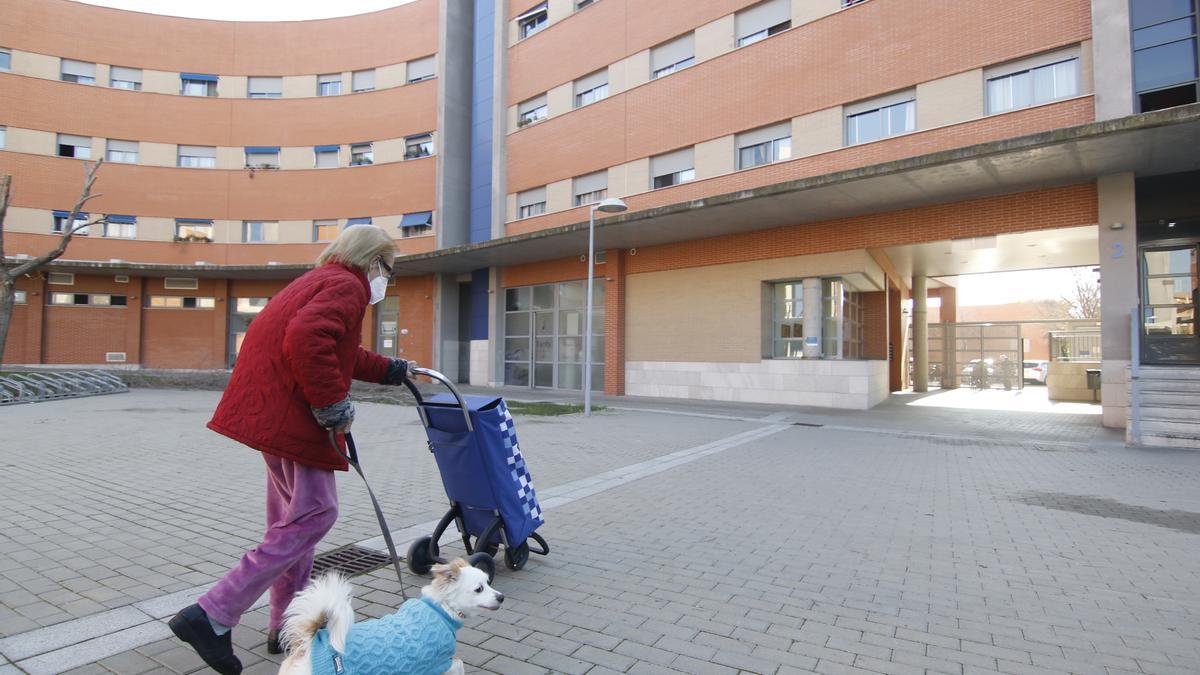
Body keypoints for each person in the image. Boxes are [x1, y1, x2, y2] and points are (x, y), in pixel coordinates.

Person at [168, 225, 414, 675]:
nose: (385, 281)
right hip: (295, 418)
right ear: (373, 261)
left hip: (275, 414)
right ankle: (212, 613)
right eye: (388, 270)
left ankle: (285, 625)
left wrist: (394, 370)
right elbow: (307, 338)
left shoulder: (319, 279)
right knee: (315, 516)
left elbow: (339, 350)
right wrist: (331, 404)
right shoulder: (347, 284)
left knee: (293, 524)